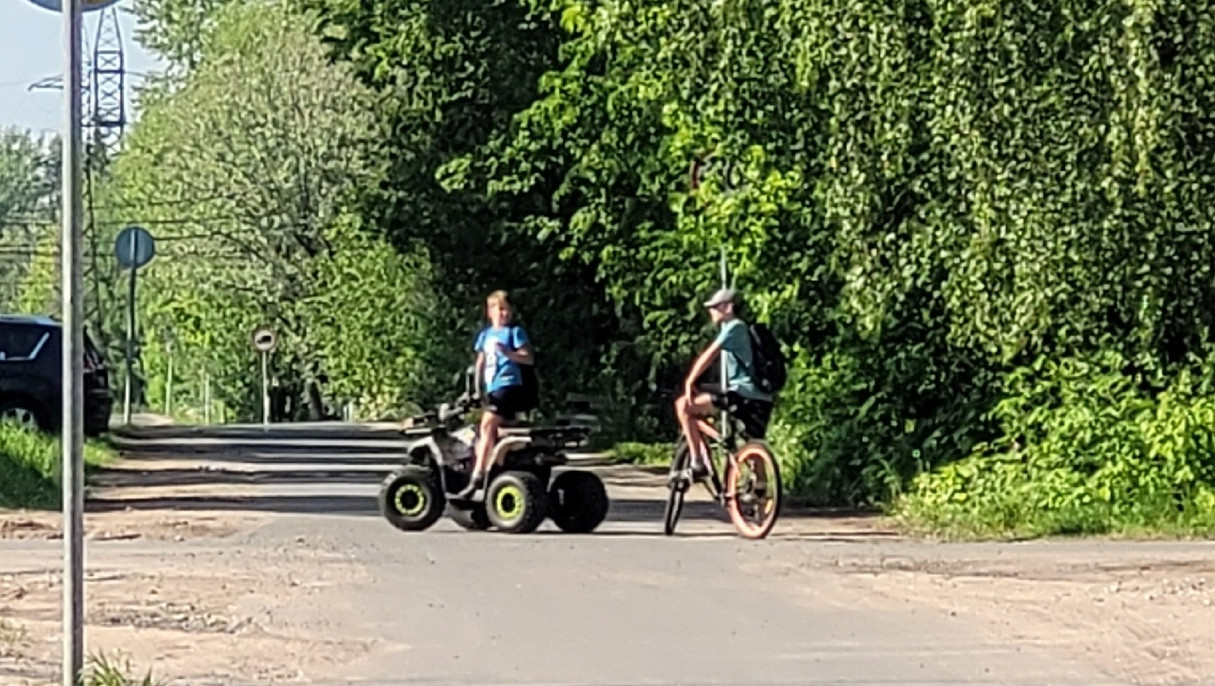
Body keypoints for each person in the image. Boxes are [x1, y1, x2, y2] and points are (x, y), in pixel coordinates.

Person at [673, 287, 774, 480]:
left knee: (683, 406)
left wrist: (689, 381)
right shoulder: (745, 328)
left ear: (727, 308)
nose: (711, 311)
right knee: (754, 444)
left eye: (714, 307)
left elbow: (708, 356)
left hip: (741, 393)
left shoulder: (734, 327)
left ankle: (697, 463)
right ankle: (761, 493)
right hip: (762, 397)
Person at [458, 290, 535, 498]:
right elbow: (480, 363)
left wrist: (509, 353)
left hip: (509, 385)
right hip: (492, 388)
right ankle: (499, 466)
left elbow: (528, 358)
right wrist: (475, 390)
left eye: (507, 310)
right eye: (499, 309)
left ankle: (478, 476)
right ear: (490, 311)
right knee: (489, 430)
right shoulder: (485, 335)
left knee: (487, 424)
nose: (504, 314)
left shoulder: (514, 333)